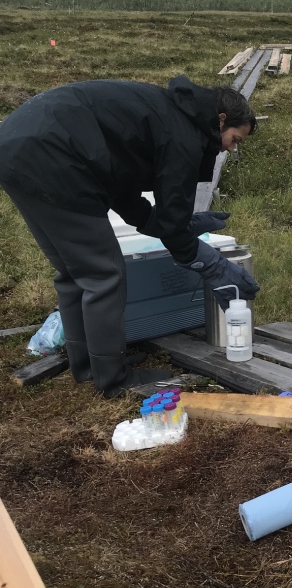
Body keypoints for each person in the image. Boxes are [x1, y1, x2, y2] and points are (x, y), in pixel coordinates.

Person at [0, 75, 260, 397]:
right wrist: (202, 259)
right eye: (235, 139)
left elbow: (119, 183)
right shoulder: (184, 135)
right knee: (104, 274)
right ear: (220, 120)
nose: (231, 148)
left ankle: (87, 365)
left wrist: (158, 222)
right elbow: (173, 206)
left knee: (73, 272)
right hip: (52, 155)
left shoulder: (165, 113)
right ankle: (113, 379)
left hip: (18, 146)